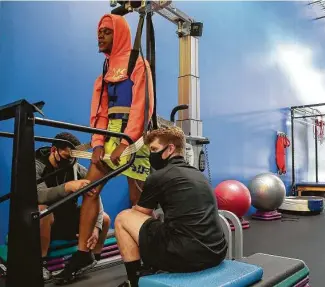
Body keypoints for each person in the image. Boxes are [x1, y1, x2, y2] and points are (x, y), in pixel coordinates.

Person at [53, 13, 154, 284]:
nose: (100, 36)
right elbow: (98, 112)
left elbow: (142, 108)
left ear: (119, 34)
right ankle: (83, 252)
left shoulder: (138, 64)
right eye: (99, 32)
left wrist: (126, 142)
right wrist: (98, 143)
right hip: (108, 135)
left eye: (107, 32)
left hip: (135, 139)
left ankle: (148, 259)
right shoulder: (104, 72)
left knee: (139, 203)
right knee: (90, 190)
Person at [114, 126, 228, 287]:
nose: (151, 155)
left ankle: (135, 281)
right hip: (217, 253)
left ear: (171, 148)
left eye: (154, 149)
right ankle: (150, 269)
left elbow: (138, 214)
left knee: (123, 218)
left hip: (186, 257)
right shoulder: (198, 175)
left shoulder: (158, 177)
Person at [36, 132, 111, 281]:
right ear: (54, 150)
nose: (70, 161)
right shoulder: (37, 165)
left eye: (73, 157)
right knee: (42, 210)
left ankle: (92, 258)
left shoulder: (75, 167)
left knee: (105, 218)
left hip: (67, 218)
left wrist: (96, 227)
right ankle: (40, 263)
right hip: (48, 221)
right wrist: (67, 187)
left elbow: (95, 194)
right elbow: (38, 195)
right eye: (67, 157)